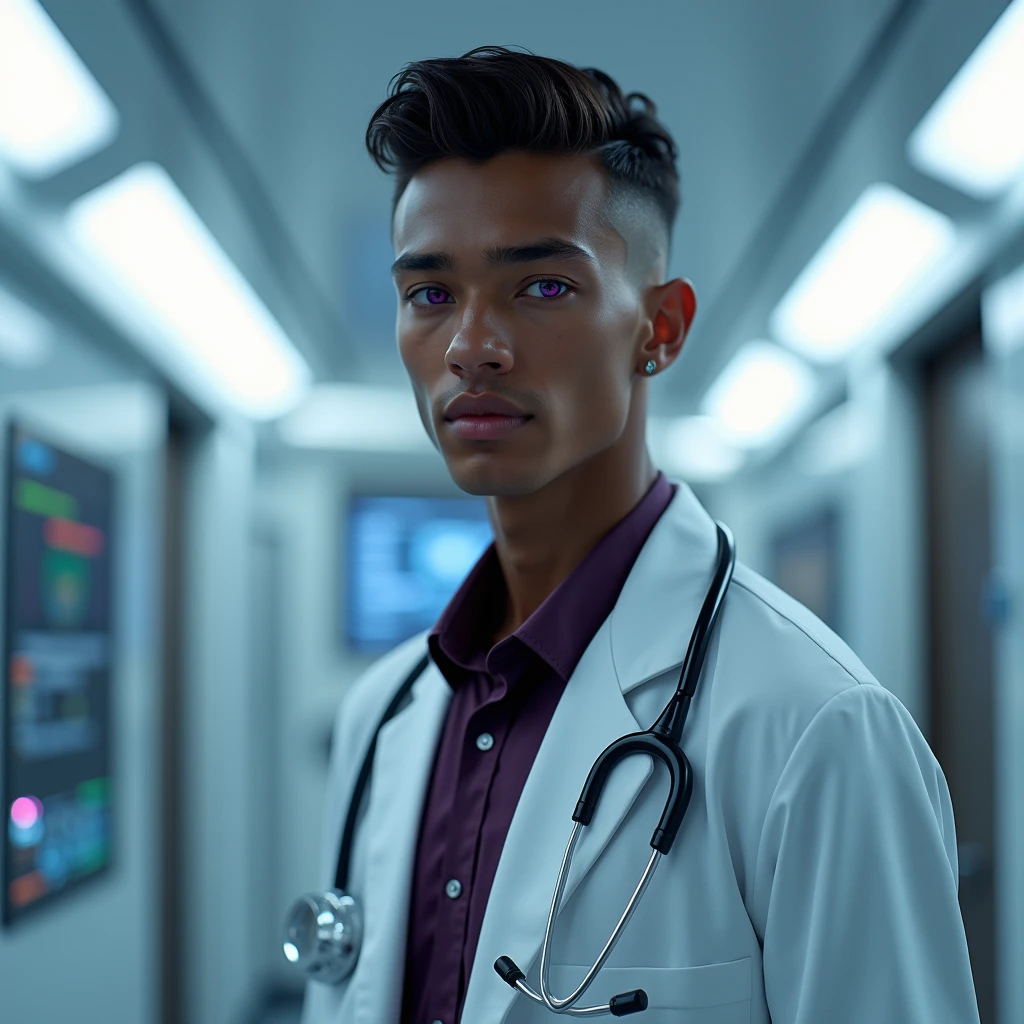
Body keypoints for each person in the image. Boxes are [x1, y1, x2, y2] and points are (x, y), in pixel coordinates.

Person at [301, 45, 979, 1024]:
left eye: (540, 287)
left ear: (659, 329)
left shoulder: (814, 728)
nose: (469, 345)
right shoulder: (384, 713)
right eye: (429, 293)